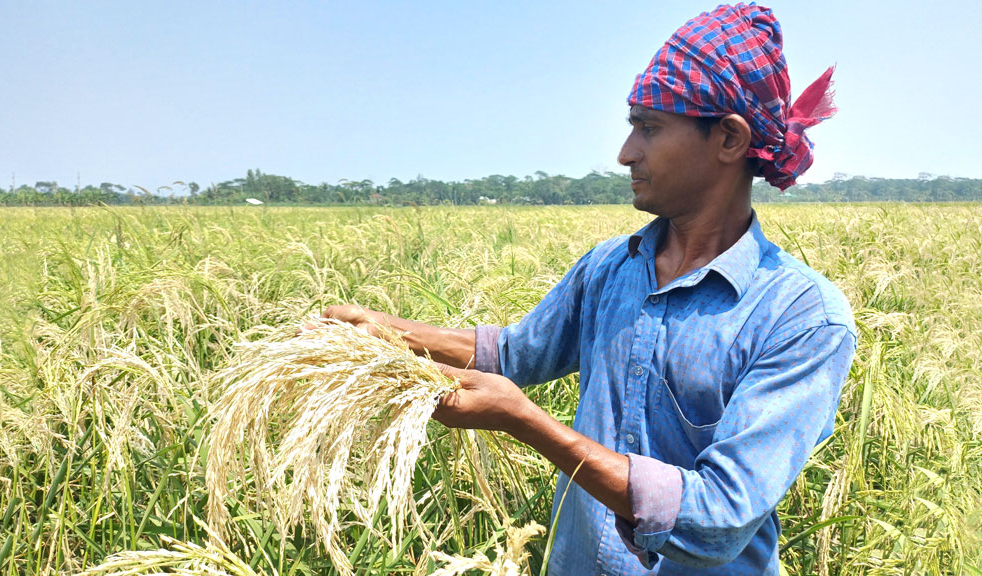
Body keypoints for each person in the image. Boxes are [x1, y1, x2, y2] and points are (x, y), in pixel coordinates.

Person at [320, 3, 856, 574]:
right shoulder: (610, 268)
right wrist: (383, 331)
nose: (626, 152)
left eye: (649, 127)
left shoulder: (801, 317)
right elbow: (513, 354)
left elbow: (721, 516)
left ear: (728, 138)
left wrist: (528, 423)